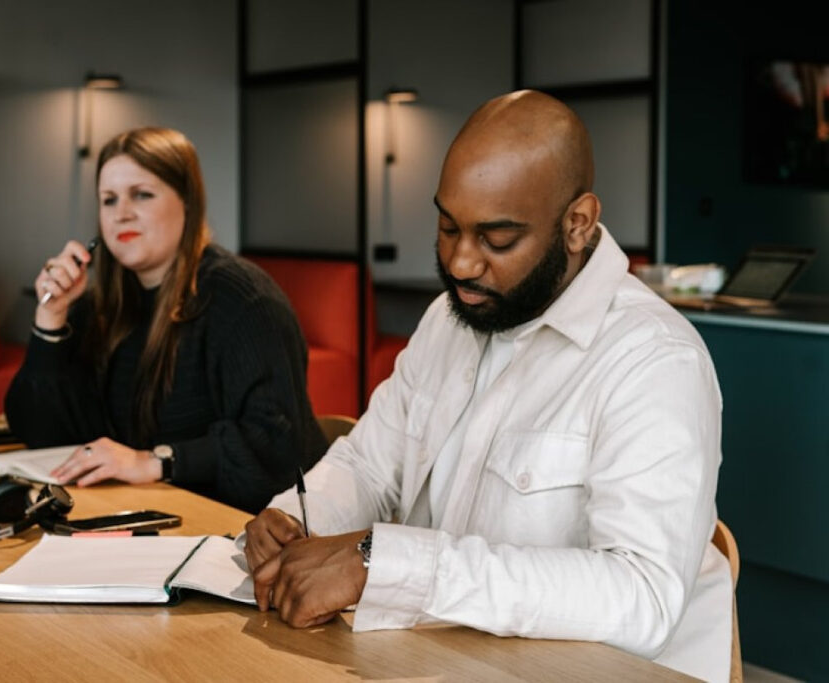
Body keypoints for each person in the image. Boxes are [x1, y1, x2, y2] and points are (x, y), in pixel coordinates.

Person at [243, 91, 731, 682]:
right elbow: (370, 466)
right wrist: (298, 520)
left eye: (497, 239)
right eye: (447, 227)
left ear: (577, 224)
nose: (461, 263)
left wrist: (387, 562)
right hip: (439, 663)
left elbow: (641, 597)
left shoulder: (655, 360)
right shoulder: (448, 320)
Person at [5, 126, 326, 514]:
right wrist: (50, 318)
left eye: (141, 194)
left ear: (187, 202)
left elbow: (277, 444)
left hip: (235, 526)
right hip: (130, 513)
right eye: (108, 200)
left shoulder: (244, 301)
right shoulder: (99, 306)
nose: (121, 213)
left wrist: (157, 462)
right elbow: (41, 435)